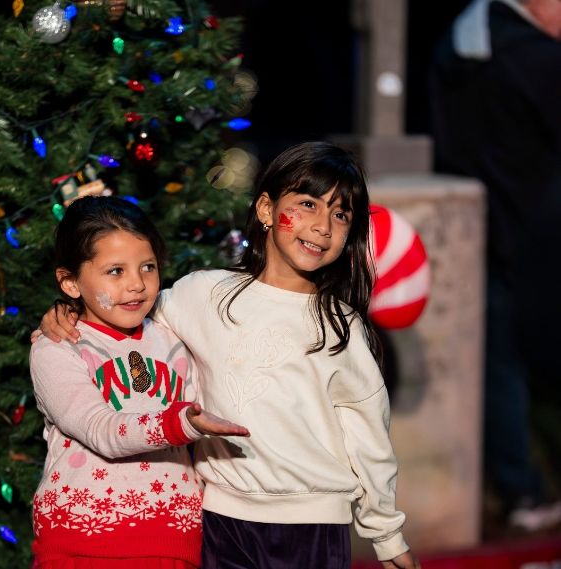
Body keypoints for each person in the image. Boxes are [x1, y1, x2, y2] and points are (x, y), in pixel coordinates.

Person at [35, 142, 421, 569]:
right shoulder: (204, 293)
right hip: (222, 522)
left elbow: (369, 439)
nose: (323, 225)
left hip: (314, 526)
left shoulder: (343, 328)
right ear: (266, 210)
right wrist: (66, 312)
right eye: (308, 204)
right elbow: (125, 308)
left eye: (341, 213)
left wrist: (385, 535)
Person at [30, 196, 250, 569]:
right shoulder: (58, 347)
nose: (137, 284)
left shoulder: (174, 335)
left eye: (147, 267)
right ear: (70, 282)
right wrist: (179, 423)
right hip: (81, 542)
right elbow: (101, 430)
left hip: (173, 539)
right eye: (115, 271)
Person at [429, 0, 561, 532]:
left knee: (498, 362)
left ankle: (520, 491)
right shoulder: (538, 58)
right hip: (537, 233)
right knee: (512, 365)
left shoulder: (457, 42)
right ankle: (524, 490)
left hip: (481, 229)